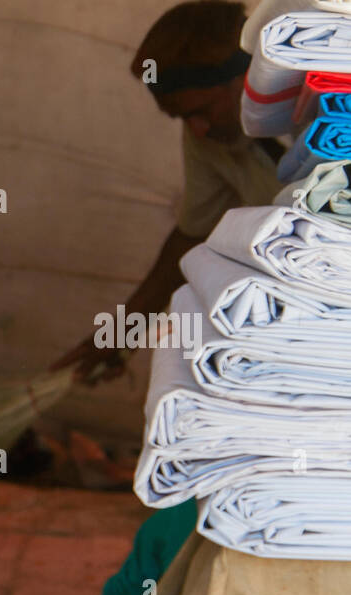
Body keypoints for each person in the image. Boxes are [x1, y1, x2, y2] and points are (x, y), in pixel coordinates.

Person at [57, 1, 285, 384]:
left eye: (202, 110)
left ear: (247, 76)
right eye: (181, 117)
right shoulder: (209, 134)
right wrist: (122, 334)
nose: (195, 130)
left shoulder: (326, 118)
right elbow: (190, 238)